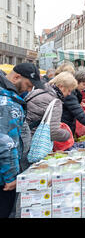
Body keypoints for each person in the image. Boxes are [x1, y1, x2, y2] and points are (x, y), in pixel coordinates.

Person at [0, 63, 42, 218]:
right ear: (16, 77)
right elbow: (5, 142)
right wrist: (11, 176)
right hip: (3, 177)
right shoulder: (7, 103)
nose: (28, 90)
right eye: (28, 85)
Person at [23, 72, 78, 171]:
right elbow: (53, 132)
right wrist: (68, 134)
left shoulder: (37, 91)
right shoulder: (55, 102)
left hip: (23, 138)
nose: (69, 94)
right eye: (69, 90)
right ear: (61, 86)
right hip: (35, 144)